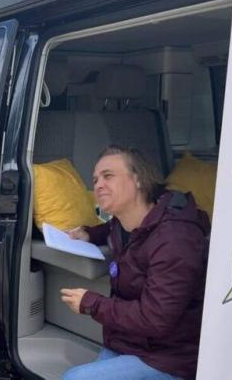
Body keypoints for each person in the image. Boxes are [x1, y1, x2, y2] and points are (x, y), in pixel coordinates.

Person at [60, 145, 209, 380]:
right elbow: (112, 228)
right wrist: (90, 233)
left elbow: (155, 319)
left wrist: (92, 304)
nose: (98, 185)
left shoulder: (175, 238)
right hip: (131, 344)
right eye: (96, 179)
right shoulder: (126, 222)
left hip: (169, 358)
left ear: (138, 180)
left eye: (108, 176)